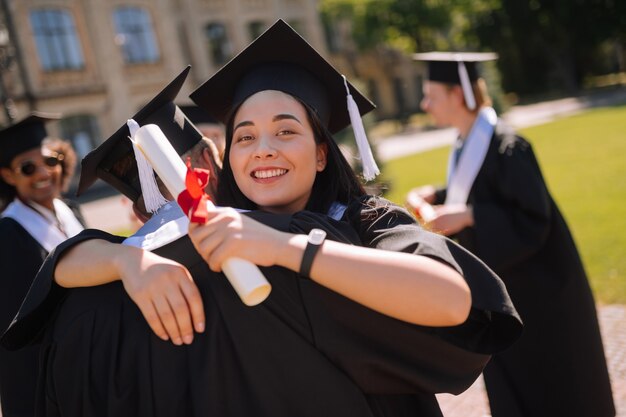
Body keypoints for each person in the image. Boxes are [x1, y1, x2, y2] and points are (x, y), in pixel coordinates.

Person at [3, 23, 521, 417]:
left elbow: (454, 298)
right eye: (245, 136)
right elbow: (65, 273)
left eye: (286, 131)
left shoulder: (365, 220)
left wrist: (284, 248)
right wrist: (129, 262)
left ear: (322, 154)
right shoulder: (212, 233)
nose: (262, 148)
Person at [407, 51, 615, 417]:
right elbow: (482, 190)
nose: (425, 105)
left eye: (431, 95)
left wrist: (470, 215)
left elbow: (533, 219)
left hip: (541, 297)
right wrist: (438, 195)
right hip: (507, 295)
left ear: (459, 95)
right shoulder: (467, 142)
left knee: (555, 386)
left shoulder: (508, 145)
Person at [0, 113, 85, 417]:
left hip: (87, 360)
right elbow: (16, 333)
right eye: (27, 167)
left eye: (50, 161)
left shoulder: (69, 211)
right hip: (45, 379)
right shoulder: (8, 234)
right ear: (9, 176)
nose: (43, 172)